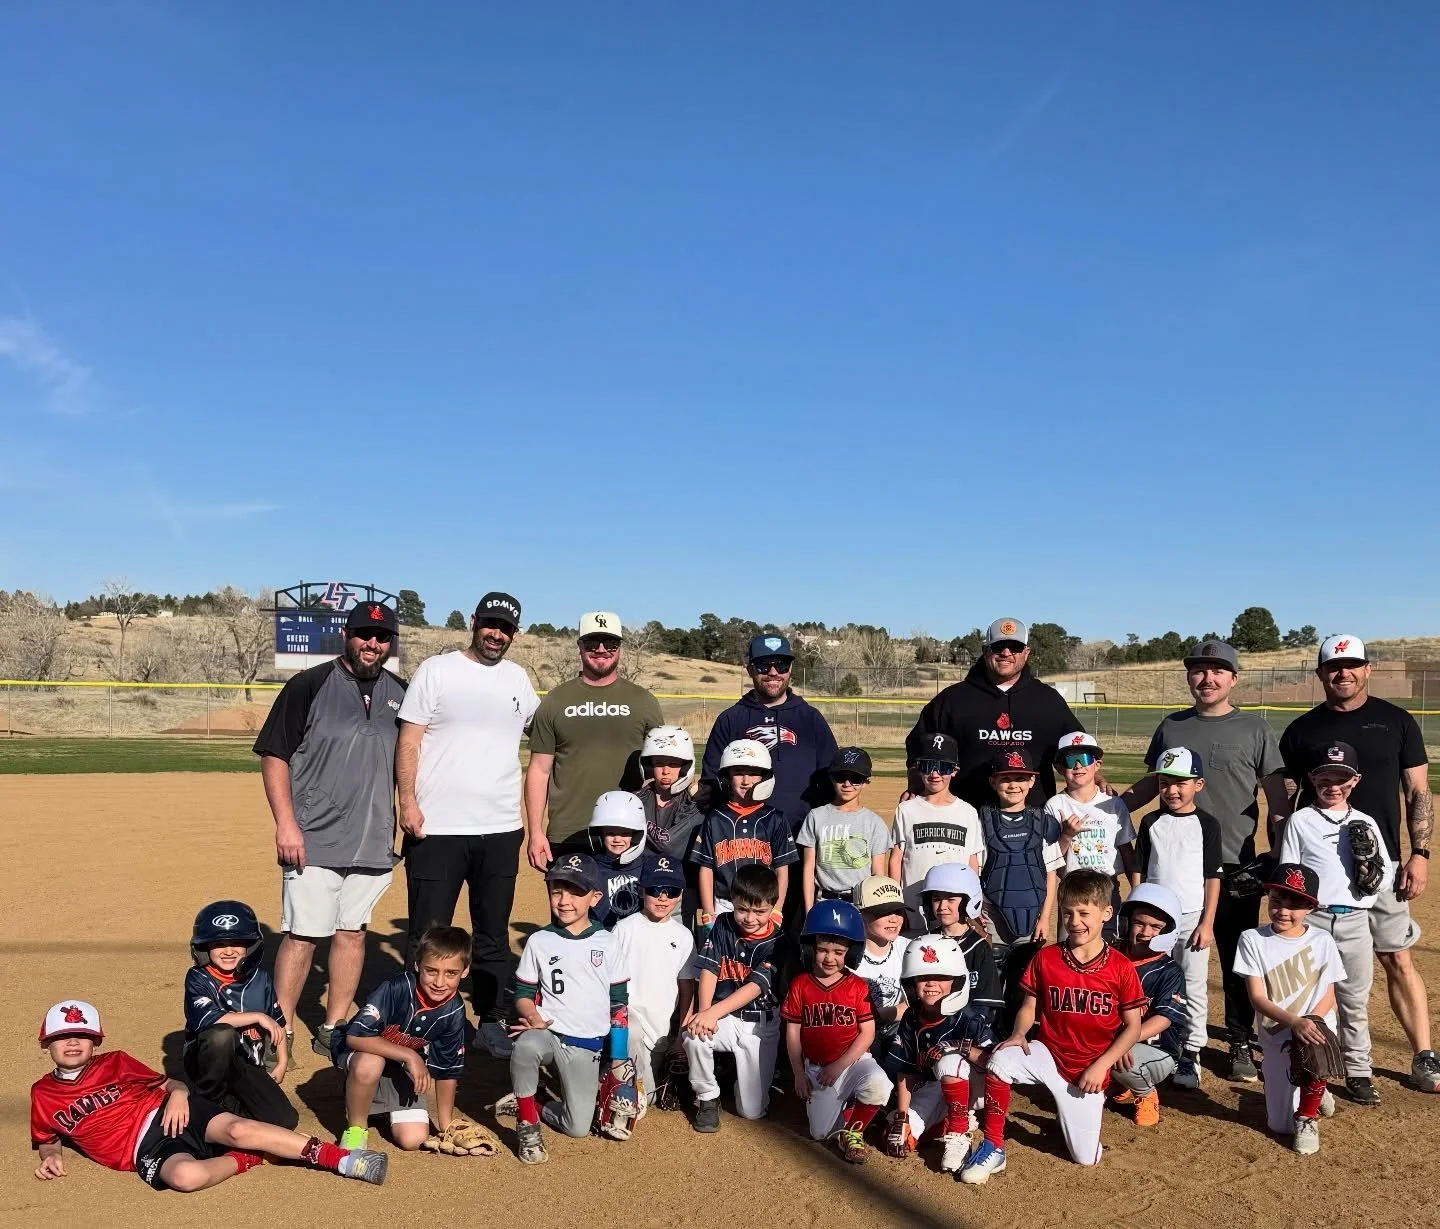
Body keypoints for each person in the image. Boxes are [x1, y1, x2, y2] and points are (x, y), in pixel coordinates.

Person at [1119, 639, 1288, 1083]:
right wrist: (1103, 805)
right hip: (1172, 872)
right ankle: (1162, 1039)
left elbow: (1276, 799)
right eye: (1198, 671)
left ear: (1233, 678)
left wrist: (1282, 845)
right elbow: (1151, 784)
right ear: (1189, 677)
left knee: (1235, 957)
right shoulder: (1172, 727)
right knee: (1161, 959)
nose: (1207, 679)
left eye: (1217, 671)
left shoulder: (1255, 728)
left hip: (1234, 864)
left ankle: (1236, 1041)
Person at [1278, 634, 1438, 1094]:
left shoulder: (1396, 721)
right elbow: (1287, 790)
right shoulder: (1302, 730)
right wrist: (1285, 840)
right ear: (1321, 674)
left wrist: (1420, 854)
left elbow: (1418, 792)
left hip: (1381, 866)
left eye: (1351, 665)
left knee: (1396, 958)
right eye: (1333, 666)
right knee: (1311, 966)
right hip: (1324, 869)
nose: (1342, 673)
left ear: (1367, 669)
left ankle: (1423, 1054)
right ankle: (1314, 1058)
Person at [253, 600, 407, 1061]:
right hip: (313, 838)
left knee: (353, 932)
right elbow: (274, 755)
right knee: (302, 935)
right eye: (364, 634)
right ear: (346, 634)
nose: (372, 644)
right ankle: (280, 1027)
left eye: (381, 638)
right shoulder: (310, 684)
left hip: (373, 839)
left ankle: (334, 1023)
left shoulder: (401, 692)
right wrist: (286, 825)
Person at [395, 591, 539, 1061]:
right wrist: (407, 802)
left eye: (506, 629)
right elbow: (410, 740)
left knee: (493, 932)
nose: (496, 634)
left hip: (499, 828)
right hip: (438, 827)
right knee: (428, 930)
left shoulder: (518, 678)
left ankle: (492, 1018)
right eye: (490, 624)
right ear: (474, 622)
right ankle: (419, 1017)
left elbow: (548, 732)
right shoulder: (437, 671)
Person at [30, 1000, 387, 1189]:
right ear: (47, 1044)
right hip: (144, 1150)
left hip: (168, 1112)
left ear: (95, 1042)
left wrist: (180, 1095)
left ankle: (341, 1159)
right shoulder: (43, 1094)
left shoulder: (116, 1062)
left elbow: (170, 1084)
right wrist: (50, 1155)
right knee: (186, 1179)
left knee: (238, 1130)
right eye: (63, 1037)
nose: (72, 1043)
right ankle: (252, 1158)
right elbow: (47, 1136)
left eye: (82, 1035)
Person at [961, 869, 1146, 1185]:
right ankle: (993, 1144)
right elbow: (1029, 1006)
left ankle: (1081, 1116)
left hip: (1089, 1069)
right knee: (1001, 1060)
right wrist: (1019, 1033)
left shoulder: (1120, 966)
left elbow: (1132, 1026)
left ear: (1106, 913)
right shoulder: (1046, 958)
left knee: (1085, 1159)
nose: (1075, 921)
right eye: (1068, 912)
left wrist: (1102, 1065)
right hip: (1049, 1054)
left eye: (1084, 913)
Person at [1275, 741, 1391, 1106]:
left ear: (1355, 780)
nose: (1333, 785)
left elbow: (1384, 873)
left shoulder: (1365, 822)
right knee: (1312, 1000)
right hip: (1316, 918)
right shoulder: (1301, 821)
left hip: (1355, 919)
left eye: (1341, 778)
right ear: (1312, 779)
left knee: (1354, 999)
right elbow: (1291, 871)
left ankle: (1358, 1071)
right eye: (1325, 778)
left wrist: (1372, 879)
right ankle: (1316, 1070)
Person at [508, 853, 631, 1165]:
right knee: (526, 1045)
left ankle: (531, 1102)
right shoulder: (539, 940)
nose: (565, 901)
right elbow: (523, 993)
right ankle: (527, 1123)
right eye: (557, 891)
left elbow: (619, 1003)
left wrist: (617, 1059)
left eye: (576, 892)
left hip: (586, 1046)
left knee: (577, 1127)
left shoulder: (608, 941)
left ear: (595, 897)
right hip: (550, 1033)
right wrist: (532, 1015)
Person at [524, 613, 664, 868]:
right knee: (568, 908)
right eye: (592, 642)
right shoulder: (555, 701)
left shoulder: (643, 702)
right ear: (579, 646)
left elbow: (663, 768)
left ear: (620, 648)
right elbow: (539, 770)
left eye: (610, 643)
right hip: (569, 831)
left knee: (627, 907)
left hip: (626, 829)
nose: (601, 650)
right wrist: (535, 831)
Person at [909, 618, 1083, 810]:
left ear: (1026, 653)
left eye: (1015, 647)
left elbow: (1078, 745)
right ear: (986, 651)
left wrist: (1096, 777)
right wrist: (915, 782)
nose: (1006, 653)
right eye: (999, 646)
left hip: (1033, 819)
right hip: (968, 816)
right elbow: (919, 744)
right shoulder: (953, 699)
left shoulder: (1048, 700)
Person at [1234, 864, 1344, 1155]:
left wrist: (1310, 1023)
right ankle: (1319, 1091)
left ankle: (1308, 1114)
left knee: (1314, 1048)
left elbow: (1330, 993)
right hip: (1276, 1029)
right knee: (1278, 1126)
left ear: (1309, 907)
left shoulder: (1322, 940)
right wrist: (1294, 1022)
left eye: (1294, 904)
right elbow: (1257, 998)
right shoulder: (1253, 940)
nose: (1283, 911)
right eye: (1277, 901)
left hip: (1316, 1021)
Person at [331, 925, 470, 1153]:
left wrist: (446, 1127)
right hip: (362, 1052)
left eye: (451, 973)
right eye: (431, 970)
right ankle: (356, 1128)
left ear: (464, 971)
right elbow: (356, 1037)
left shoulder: (453, 1011)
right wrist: (410, 1056)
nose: (439, 982)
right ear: (417, 965)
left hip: (399, 1067)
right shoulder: (396, 988)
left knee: (413, 1140)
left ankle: (376, 1101)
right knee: (370, 1064)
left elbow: (447, 1069)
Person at [1131, 747, 1223, 1089]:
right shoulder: (1150, 821)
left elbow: (1213, 876)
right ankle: (1152, 1043)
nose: (1172, 790)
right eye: (1165, 782)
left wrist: (1207, 922)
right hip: (1154, 917)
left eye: (1181, 783)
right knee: (1147, 982)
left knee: (1193, 985)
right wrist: (1139, 909)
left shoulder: (1207, 824)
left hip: (1190, 917)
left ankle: (1191, 1052)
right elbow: (1139, 868)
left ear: (1198, 784)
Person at [783, 901, 894, 1164]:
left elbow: (867, 1033)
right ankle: (850, 1108)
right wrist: (799, 1074)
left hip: (853, 1062)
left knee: (880, 1085)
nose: (829, 958)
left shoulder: (857, 985)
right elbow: (793, 1033)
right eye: (822, 950)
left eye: (838, 951)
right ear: (810, 948)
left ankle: (853, 1131)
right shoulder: (800, 985)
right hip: (818, 1068)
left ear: (851, 952)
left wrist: (839, 1065)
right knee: (821, 1133)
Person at [683, 864, 791, 1130]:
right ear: (732, 902)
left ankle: (734, 1073)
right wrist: (704, 1013)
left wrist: (710, 1014)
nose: (750, 918)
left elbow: (755, 986)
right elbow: (710, 967)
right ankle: (708, 1097)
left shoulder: (779, 939)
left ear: (773, 907)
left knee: (751, 1112)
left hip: (759, 1026)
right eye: (742, 909)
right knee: (693, 1035)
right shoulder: (723, 923)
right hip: (727, 1017)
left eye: (760, 911)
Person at [701, 634, 839, 834]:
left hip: (801, 837)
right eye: (763, 666)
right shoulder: (731, 720)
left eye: (781, 665)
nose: (773, 672)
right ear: (750, 670)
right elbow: (711, 783)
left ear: (790, 669)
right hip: (742, 839)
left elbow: (830, 778)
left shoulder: (810, 719)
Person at [601, 855, 697, 1139]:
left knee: (652, 1098)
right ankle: (620, 1088)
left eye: (671, 891)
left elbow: (686, 988)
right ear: (642, 890)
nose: (663, 897)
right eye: (655, 889)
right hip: (627, 1020)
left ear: (680, 895)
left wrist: (680, 1035)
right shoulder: (624, 928)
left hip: (661, 1033)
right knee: (630, 1032)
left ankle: (617, 1080)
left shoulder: (683, 935)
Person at [182, 901, 297, 1130]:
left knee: (285, 1120)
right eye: (219, 944)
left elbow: (278, 1022)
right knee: (221, 1036)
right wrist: (257, 1017)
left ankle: (228, 1109)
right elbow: (213, 1020)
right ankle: (206, 1102)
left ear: (250, 947)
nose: (228, 951)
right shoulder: (198, 978)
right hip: (208, 1061)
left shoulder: (261, 978)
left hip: (246, 1064)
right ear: (204, 948)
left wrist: (282, 1061)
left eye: (237, 943)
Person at [883, 935, 991, 1175]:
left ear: (957, 980)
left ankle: (959, 1131)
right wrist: (903, 1118)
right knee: (898, 1133)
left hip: (975, 1087)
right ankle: (945, 1122)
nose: (931, 984)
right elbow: (905, 1072)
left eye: (941, 977)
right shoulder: (911, 1017)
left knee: (949, 1060)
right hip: (933, 1087)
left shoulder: (969, 1016)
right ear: (911, 982)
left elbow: (994, 1064)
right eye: (923, 977)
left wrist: (958, 1047)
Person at [975, 748, 1064, 1014]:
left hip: (1032, 916)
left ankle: (1020, 1034)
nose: (1014, 785)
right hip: (992, 914)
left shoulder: (1043, 821)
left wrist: (1045, 917)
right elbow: (975, 868)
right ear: (993, 782)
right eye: (1006, 778)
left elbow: (1051, 872)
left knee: (1025, 985)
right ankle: (990, 1031)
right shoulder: (982, 820)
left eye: (1020, 778)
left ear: (1032, 782)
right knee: (991, 979)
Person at [1108, 884, 1187, 1128]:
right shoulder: (1109, 955)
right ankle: (1120, 1082)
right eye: (1139, 923)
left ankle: (1145, 1093)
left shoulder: (1169, 971)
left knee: (1117, 1057)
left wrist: (1126, 1040)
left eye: (1155, 927)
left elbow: (1163, 1020)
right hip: (1112, 1039)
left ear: (1168, 932)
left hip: (1157, 1050)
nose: (1145, 932)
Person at [693, 739, 797, 923]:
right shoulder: (715, 818)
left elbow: (782, 870)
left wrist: (777, 909)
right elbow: (706, 870)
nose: (746, 781)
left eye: (754, 773)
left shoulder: (775, 818)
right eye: (739, 773)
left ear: (764, 778)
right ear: (727, 777)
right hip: (724, 905)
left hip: (763, 907)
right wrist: (709, 912)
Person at [1046, 732, 1137, 941]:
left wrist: (1137, 890)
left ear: (1097, 765)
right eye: (1070, 760)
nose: (1078, 765)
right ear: (1060, 769)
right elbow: (1050, 858)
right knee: (1069, 949)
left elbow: (1127, 852)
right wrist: (1067, 835)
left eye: (1084, 759)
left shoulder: (1114, 805)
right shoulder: (1055, 805)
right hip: (1072, 888)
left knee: (1109, 946)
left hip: (1107, 886)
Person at [890, 732, 982, 934]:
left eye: (944, 767)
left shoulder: (967, 812)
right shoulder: (906, 809)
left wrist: (974, 903)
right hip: (912, 906)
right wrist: (896, 903)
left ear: (955, 770)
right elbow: (896, 859)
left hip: (954, 910)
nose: (935, 773)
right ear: (918, 769)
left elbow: (972, 862)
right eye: (927, 765)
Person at [797, 747, 890, 910]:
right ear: (831, 778)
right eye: (841, 777)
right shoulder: (816, 816)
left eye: (855, 779)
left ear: (866, 781)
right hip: (824, 900)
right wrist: (809, 910)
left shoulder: (874, 822)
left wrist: (875, 912)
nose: (847, 784)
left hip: (861, 903)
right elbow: (808, 869)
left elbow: (877, 874)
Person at [635, 725, 705, 923]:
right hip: (644, 886)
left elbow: (670, 845)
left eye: (674, 764)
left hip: (680, 888)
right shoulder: (637, 799)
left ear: (685, 767)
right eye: (658, 763)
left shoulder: (694, 804)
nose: (666, 771)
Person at [853, 876, 910, 1055]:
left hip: (901, 1042)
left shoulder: (910, 949)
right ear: (860, 912)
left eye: (898, 911)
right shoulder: (846, 953)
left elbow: (920, 1005)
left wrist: (880, 1014)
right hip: (856, 1042)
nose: (893, 919)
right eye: (883, 912)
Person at [586, 790, 649, 928]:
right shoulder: (590, 867)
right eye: (610, 833)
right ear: (600, 834)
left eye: (625, 833)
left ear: (637, 835)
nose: (617, 839)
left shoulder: (646, 866)